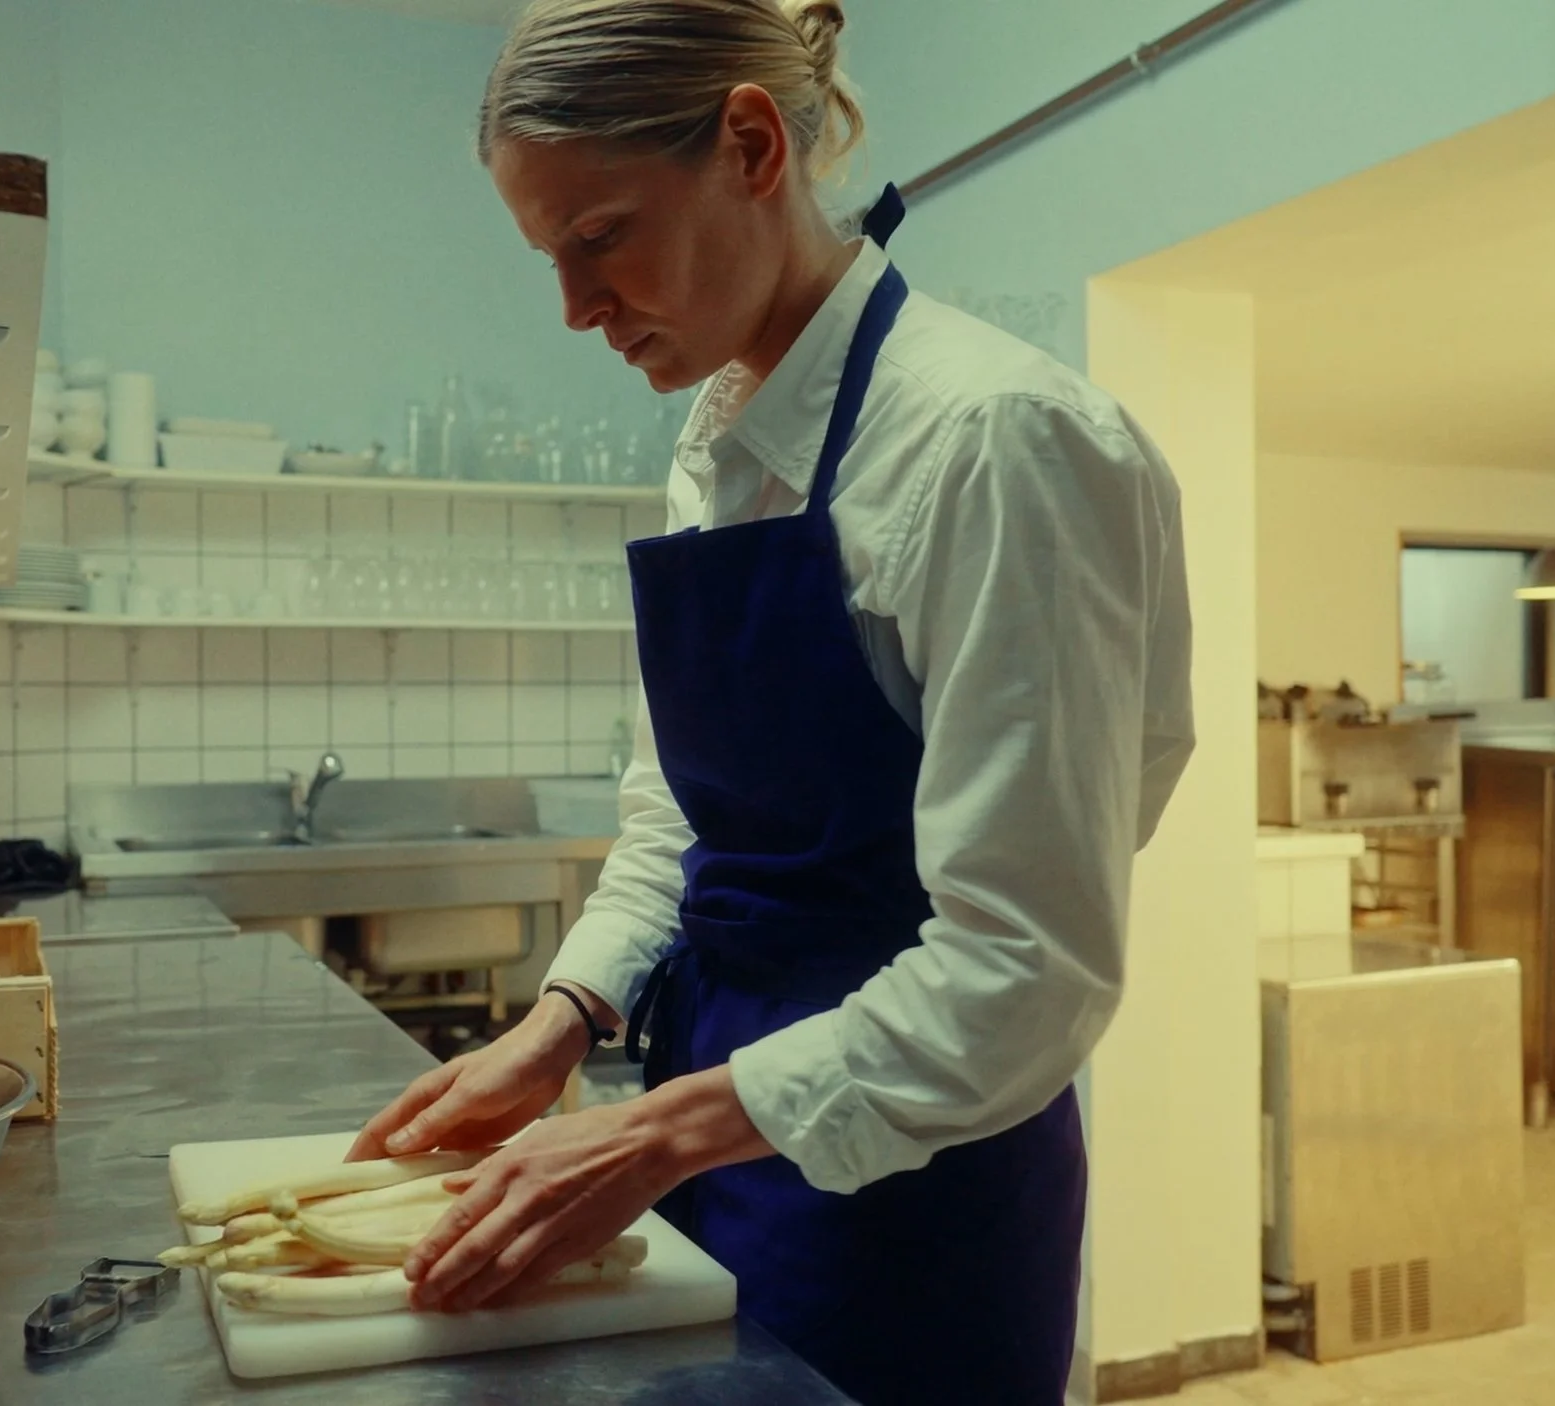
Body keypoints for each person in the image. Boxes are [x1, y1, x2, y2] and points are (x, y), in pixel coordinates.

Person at [349, 2, 1195, 1400]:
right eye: (548, 256)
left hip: (912, 1190)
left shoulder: (995, 444)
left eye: (599, 235)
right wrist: (563, 1021)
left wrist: (658, 1133)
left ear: (749, 145)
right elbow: (677, 813)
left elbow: (1026, 969)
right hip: (708, 1136)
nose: (574, 306)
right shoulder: (715, 442)